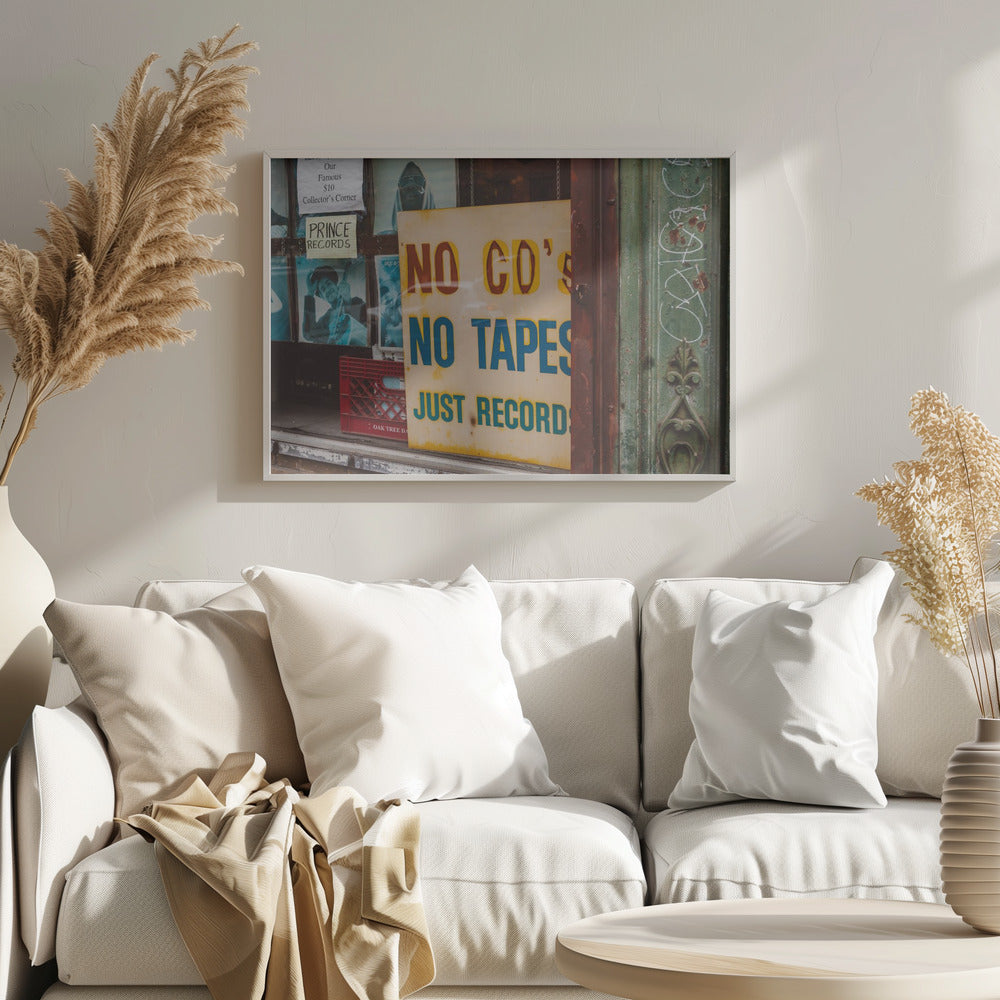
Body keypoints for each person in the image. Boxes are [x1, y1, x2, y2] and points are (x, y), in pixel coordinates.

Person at [303, 265, 368, 346]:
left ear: (335, 285)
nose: (327, 289)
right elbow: (308, 334)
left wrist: (347, 301)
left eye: (329, 284)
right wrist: (310, 293)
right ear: (322, 297)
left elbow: (365, 327)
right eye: (323, 289)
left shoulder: (356, 301)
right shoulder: (324, 320)